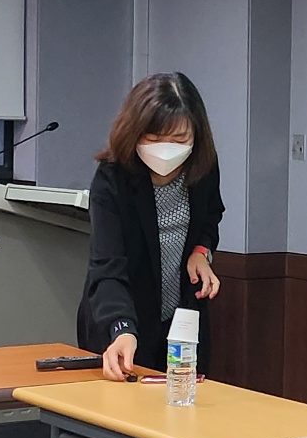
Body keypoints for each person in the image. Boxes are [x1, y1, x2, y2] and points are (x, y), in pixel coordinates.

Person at [77, 72, 225, 381]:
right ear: (134, 133)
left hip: (181, 319)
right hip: (122, 319)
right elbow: (107, 266)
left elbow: (211, 215)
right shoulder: (111, 180)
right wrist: (121, 328)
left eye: (179, 139)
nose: (167, 148)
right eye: (154, 139)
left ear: (196, 135)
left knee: (183, 399)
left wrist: (201, 252)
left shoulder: (203, 168)